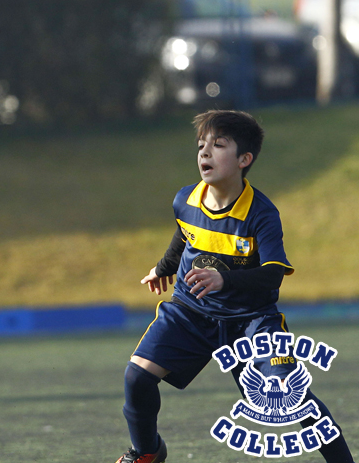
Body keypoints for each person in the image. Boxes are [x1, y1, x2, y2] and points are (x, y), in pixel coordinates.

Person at [117, 110, 355, 463]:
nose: (204, 153)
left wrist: (223, 278)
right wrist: (163, 267)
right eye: (201, 146)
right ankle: (147, 452)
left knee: (290, 396)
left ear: (245, 159)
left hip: (252, 320)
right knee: (137, 377)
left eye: (218, 145)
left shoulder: (261, 213)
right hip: (190, 311)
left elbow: (273, 272)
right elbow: (184, 235)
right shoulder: (185, 199)